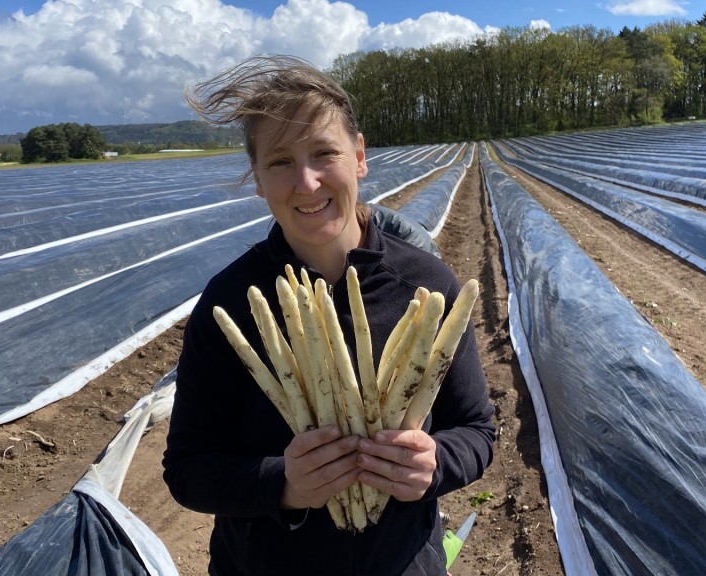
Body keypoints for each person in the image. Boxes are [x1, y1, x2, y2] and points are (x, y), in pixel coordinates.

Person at [162, 54, 496, 576]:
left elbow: (477, 429)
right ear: (257, 177)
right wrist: (285, 485)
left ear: (359, 156)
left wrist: (434, 465)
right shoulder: (230, 303)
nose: (308, 182)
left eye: (325, 153)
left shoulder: (429, 288)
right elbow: (187, 470)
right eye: (279, 162)